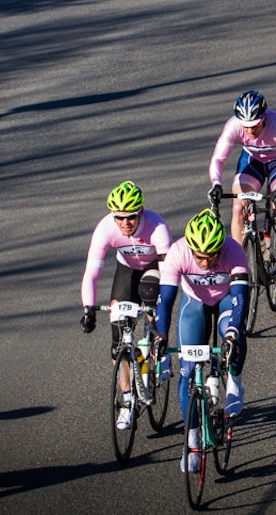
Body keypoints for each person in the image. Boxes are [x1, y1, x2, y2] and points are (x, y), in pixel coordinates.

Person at [154, 209, 249, 471]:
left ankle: (234, 381)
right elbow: (166, 301)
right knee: (187, 372)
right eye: (200, 258)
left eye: (211, 257)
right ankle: (193, 440)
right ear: (190, 249)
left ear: (221, 248)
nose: (205, 264)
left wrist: (232, 334)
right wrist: (160, 334)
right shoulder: (178, 251)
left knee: (231, 334)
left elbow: (241, 298)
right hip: (195, 303)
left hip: (227, 298)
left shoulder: (234, 251)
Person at [80, 181, 173, 432]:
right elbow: (91, 273)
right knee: (118, 337)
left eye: (130, 217)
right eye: (119, 218)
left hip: (155, 269)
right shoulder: (105, 229)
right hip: (127, 270)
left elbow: (168, 277)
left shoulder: (157, 227)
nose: (125, 224)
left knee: (151, 293)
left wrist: (158, 313)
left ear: (141, 212)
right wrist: (88, 308)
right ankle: (128, 399)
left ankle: (157, 348)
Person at [207, 90, 276, 277]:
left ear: (264, 117)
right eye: (246, 126)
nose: (250, 130)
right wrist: (216, 184)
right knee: (238, 207)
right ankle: (238, 262)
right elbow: (218, 159)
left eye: (255, 125)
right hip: (253, 161)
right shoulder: (233, 126)